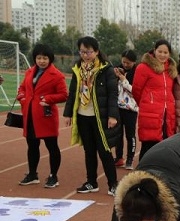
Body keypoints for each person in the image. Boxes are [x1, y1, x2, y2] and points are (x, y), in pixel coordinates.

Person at [63, 36, 119, 196]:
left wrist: (112, 115)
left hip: (100, 117)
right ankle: (91, 182)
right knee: (89, 151)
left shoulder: (106, 69)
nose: (85, 55)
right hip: (82, 116)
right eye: (82, 51)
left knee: (105, 150)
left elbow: (113, 93)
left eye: (89, 52)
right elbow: (73, 92)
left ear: (96, 52)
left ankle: (113, 184)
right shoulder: (77, 69)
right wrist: (68, 114)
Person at [17, 43, 68, 188]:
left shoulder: (57, 75)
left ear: (50, 59)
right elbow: (22, 87)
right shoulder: (30, 72)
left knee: (52, 146)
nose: (42, 61)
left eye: (45, 58)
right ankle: (32, 174)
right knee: (32, 145)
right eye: (39, 58)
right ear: (35, 58)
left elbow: (64, 95)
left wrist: (48, 99)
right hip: (30, 115)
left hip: (46, 116)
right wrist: (21, 96)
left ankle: (53, 176)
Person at [132, 39, 177, 160]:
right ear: (154, 51)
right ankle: (143, 176)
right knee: (148, 148)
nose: (162, 55)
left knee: (165, 148)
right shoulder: (143, 67)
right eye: (160, 51)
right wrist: (147, 104)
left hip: (167, 116)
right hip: (150, 115)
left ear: (169, 54)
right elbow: (136, 91)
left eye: (165, 52)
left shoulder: (171, 70)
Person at [113, 49, 138, 170]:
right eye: (124, 61)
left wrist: (123, 79)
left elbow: (135, 91)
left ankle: (130, 159)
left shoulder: (137, 72)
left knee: (130, 135)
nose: (125, 64)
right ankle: (119, 158)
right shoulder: (117, 69)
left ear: (134, 62)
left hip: (131, 109)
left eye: (128, 63)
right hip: (118, 107)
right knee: (118, 134)